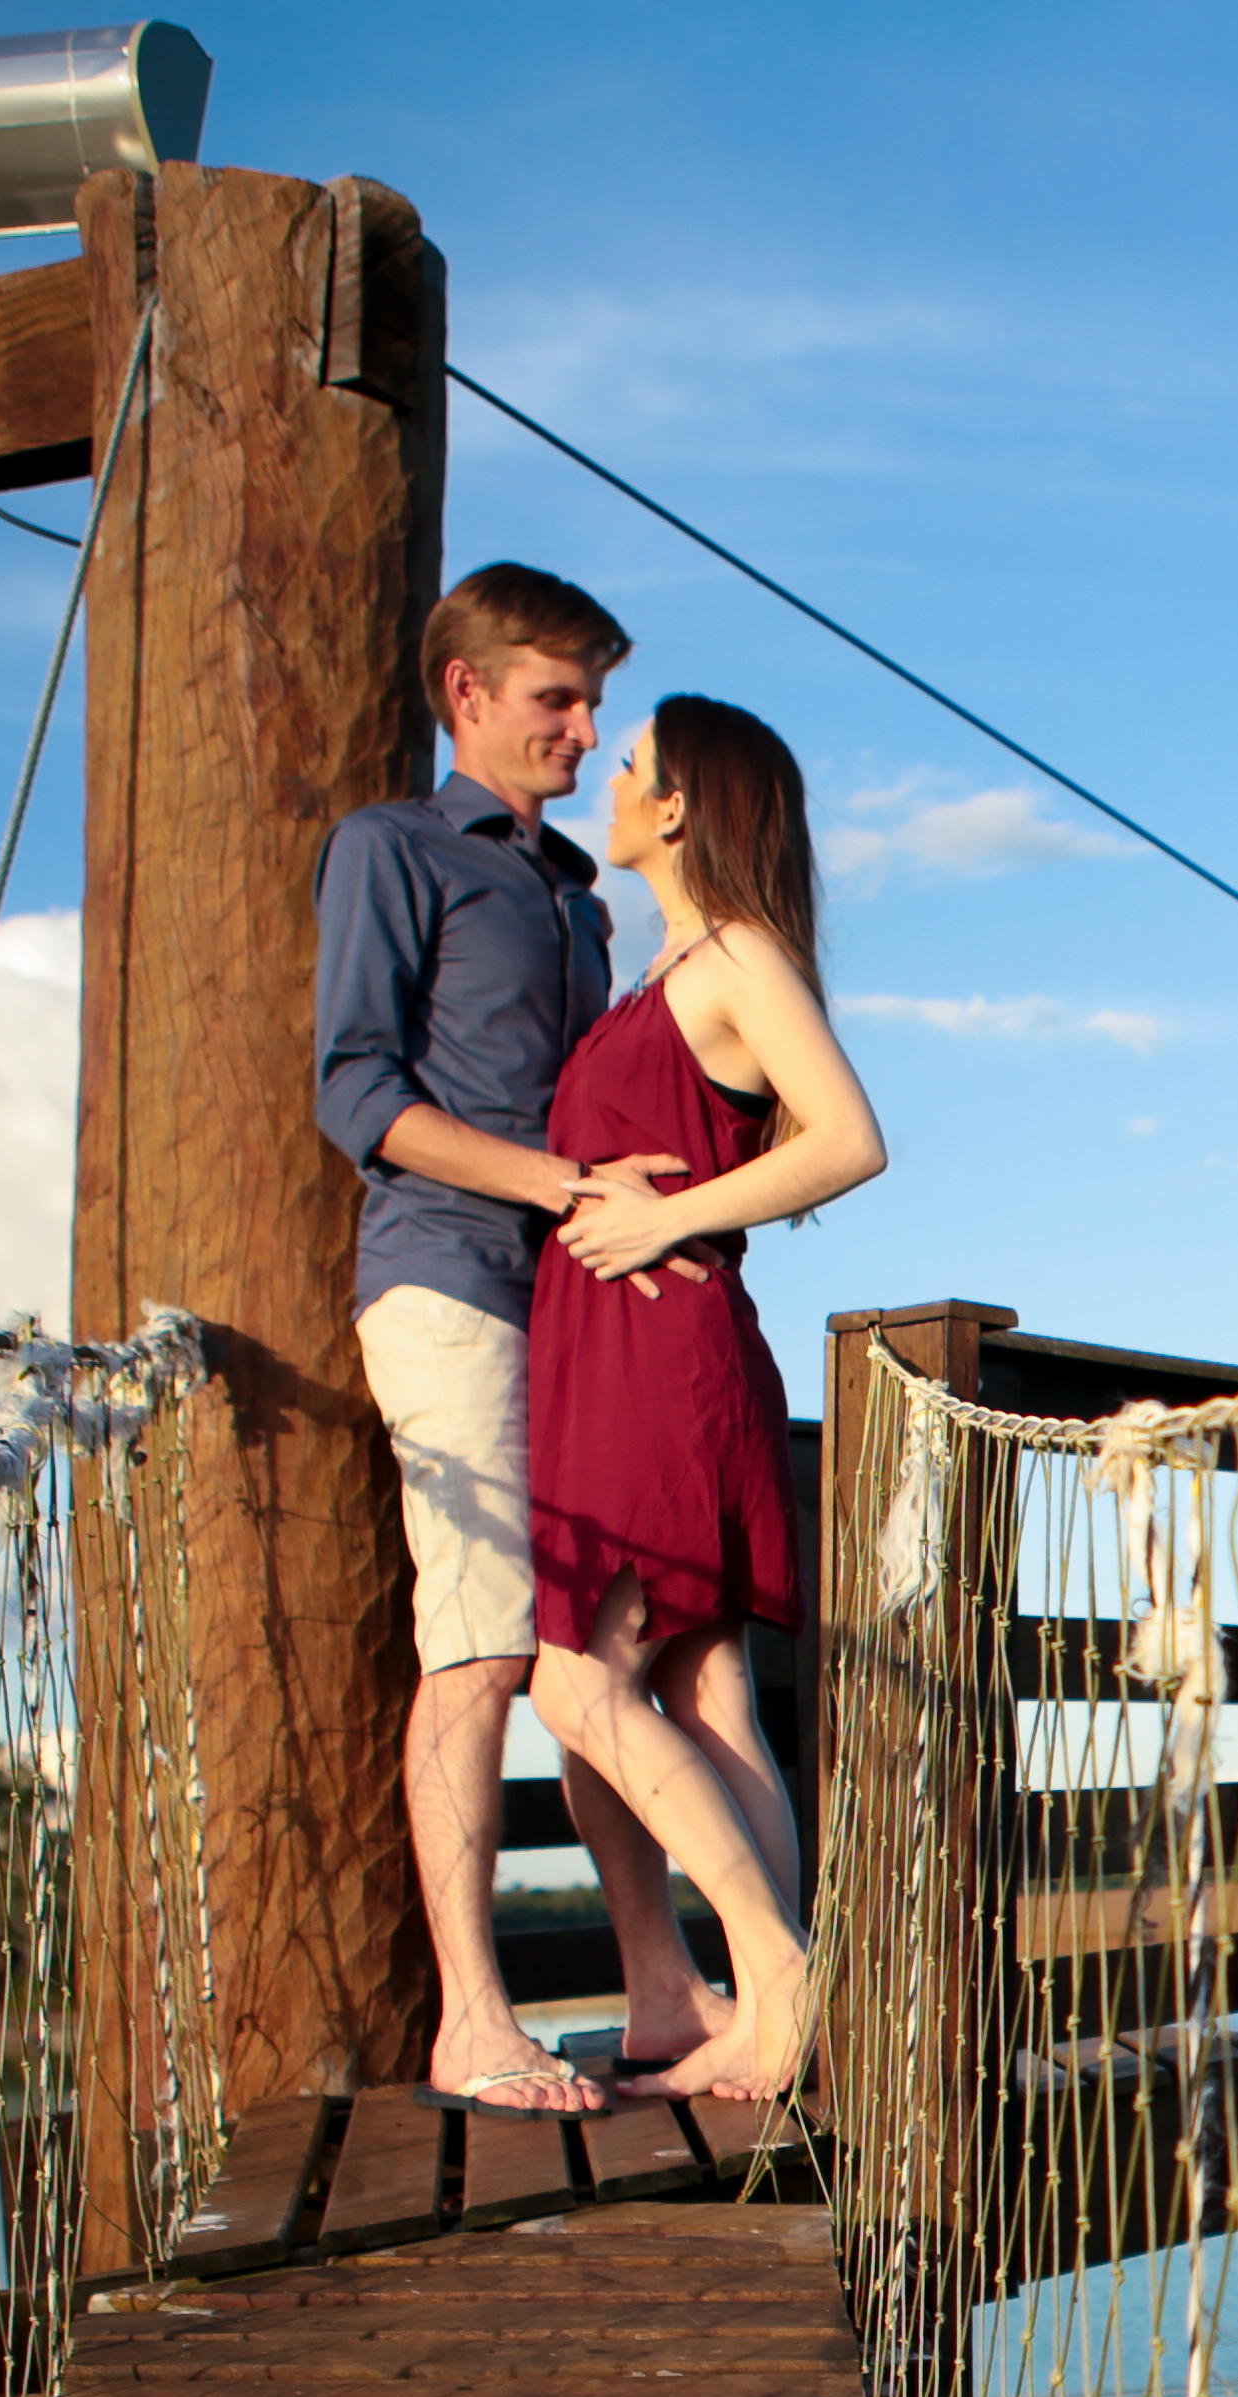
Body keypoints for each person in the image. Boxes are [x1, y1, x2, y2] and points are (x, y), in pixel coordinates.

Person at [310, 562, 735, 2116]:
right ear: (467, 695)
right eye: (559, 698)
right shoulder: (392, 850)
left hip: (578, 1307)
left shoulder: (575, 890)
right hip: (444, 1283)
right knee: (481, 1645)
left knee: (593, 1647)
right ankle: (474, 2023)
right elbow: (355, 1094)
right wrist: (563, 1184)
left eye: (594, 701)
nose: (585, 727)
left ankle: (658, 1991)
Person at [524, 697, 884, 2105]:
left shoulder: (734, 954)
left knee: (576, 1680)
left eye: (629, 767)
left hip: (661, 1354)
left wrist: (674, 1226)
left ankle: (779, 1975)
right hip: (612, 1352)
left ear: (676, 808)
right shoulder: (662, 964)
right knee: (701, 1687)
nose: (609, 781)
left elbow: (849, 1137)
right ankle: (752, 2020)